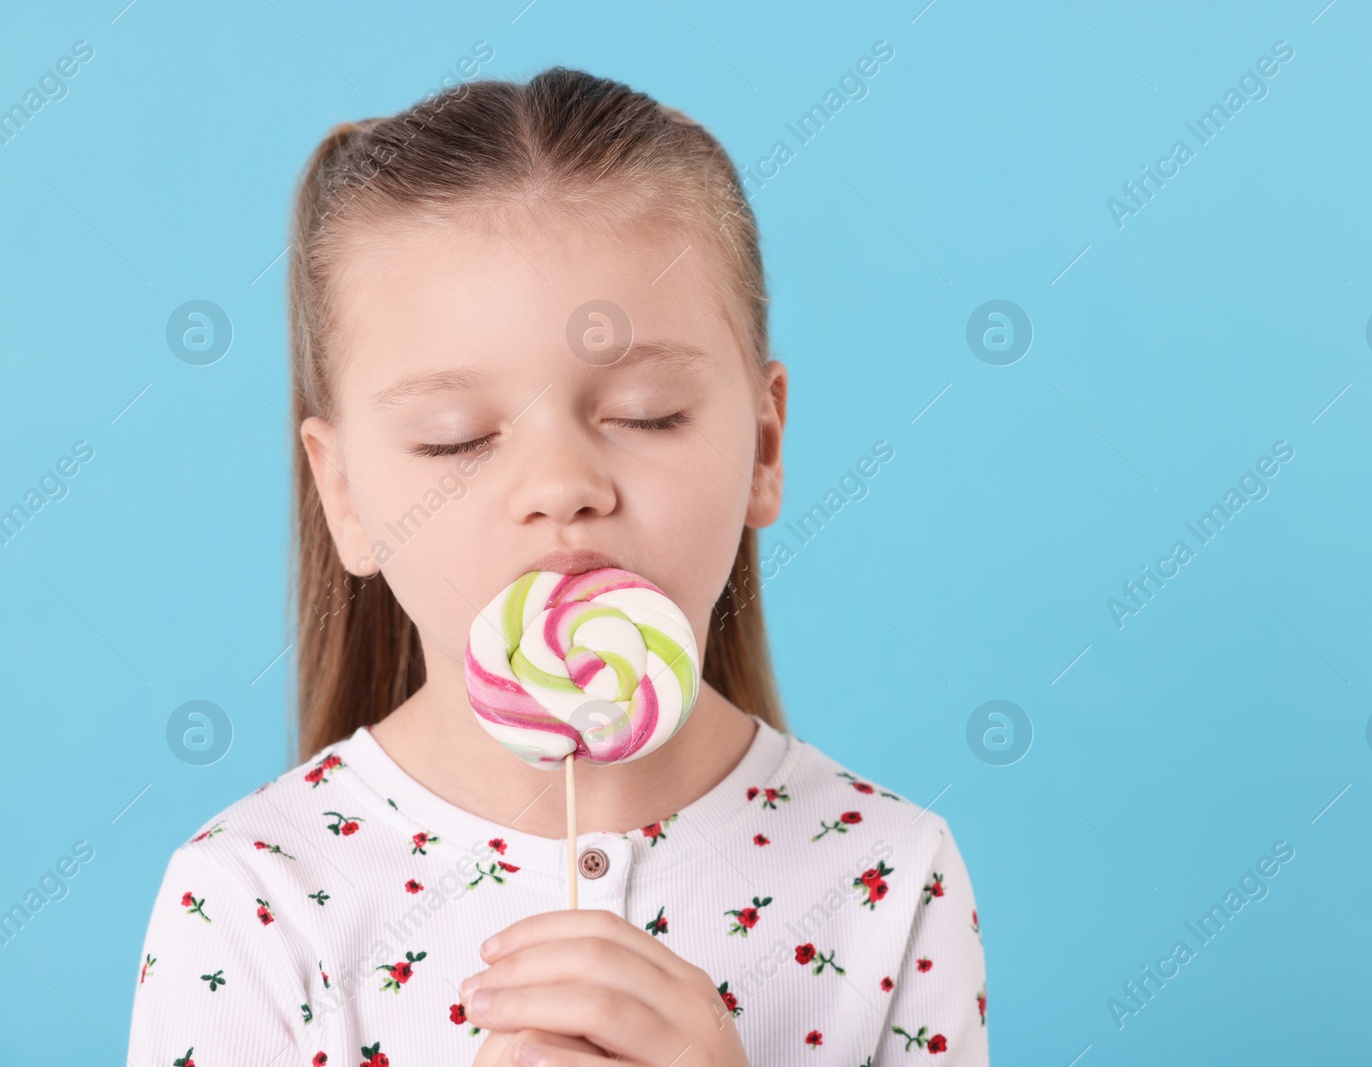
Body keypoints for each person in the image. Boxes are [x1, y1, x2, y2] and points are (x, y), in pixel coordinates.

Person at [127, 67, 987, 1067]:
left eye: (645, 413)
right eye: (455, 437)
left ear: (762, 444)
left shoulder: (885, 870)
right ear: (345, 496)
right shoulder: (254, 897)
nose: (561, 485)